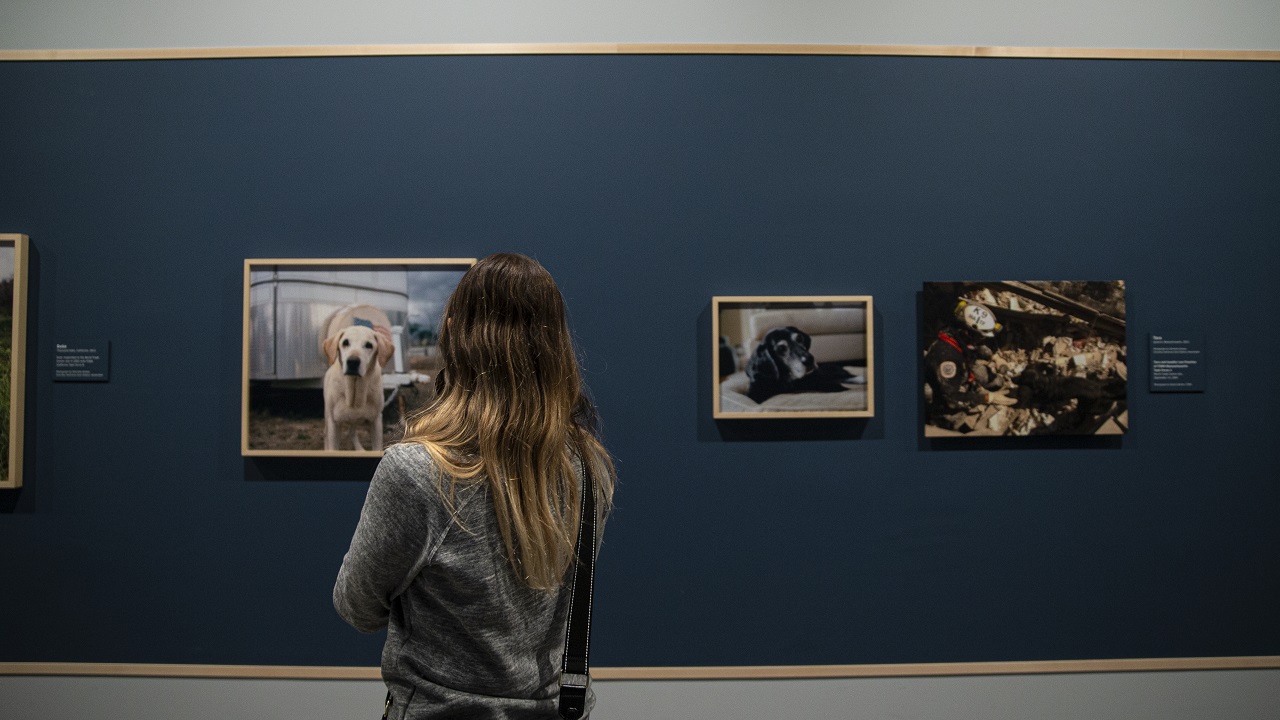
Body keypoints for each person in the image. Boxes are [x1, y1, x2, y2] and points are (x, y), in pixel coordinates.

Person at [334, 253, 616, 720]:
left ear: (457, 340)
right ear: (556, 345)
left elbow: (356, 606)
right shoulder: (588, 467)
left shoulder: (417, 470)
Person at [923, 299, 1018, 429]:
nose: (981, 340)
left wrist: (994, 357)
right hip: (941, 390)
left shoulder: (956, 334)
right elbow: (950, 396)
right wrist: (987, 398)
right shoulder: (948, 359)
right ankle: (945, 421)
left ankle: (976, 389)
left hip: (963, 363)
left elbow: (976, 347)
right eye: (980, 337)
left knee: (993, 380)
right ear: (967, 332)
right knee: (952, 410)